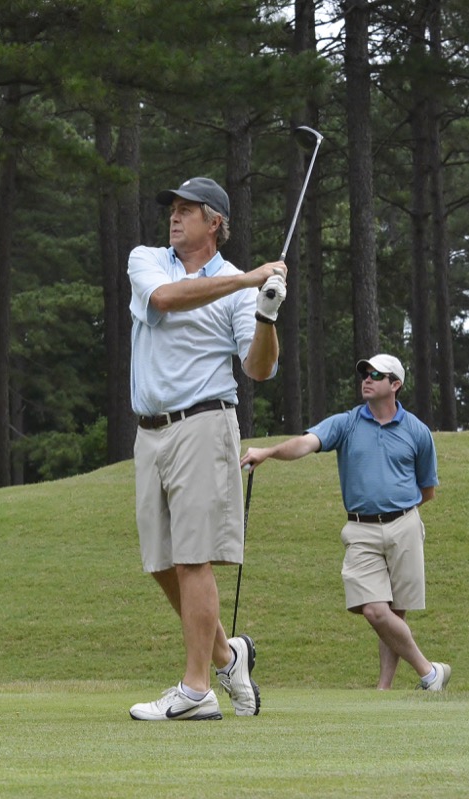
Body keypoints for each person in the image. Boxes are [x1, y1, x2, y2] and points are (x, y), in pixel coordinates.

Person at [127, 176, 288, 721]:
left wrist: (265, 315)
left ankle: (196, 690)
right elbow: (164, 300)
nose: (174, 217)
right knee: (160, 562)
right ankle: (227, 655)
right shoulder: (148, 260)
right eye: (172, 209)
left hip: (203, 421)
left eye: (187, 210)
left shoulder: (242, 289)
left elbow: (258, 368)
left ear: (214, 222)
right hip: (149, 430)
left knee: (192, 557)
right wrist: (248, 279)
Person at [239, 354, 451, 691]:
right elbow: (305, 444)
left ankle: (383, 690)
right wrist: (268, 452)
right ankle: (429, 672)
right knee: (375, 610)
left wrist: (397, 511)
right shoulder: (346, 423)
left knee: (395, 613)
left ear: (395, 384)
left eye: (376, 375)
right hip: (360, 529)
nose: (366, 378)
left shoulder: (417, 431)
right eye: (365, 373)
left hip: (405, 525)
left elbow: (427, 490)